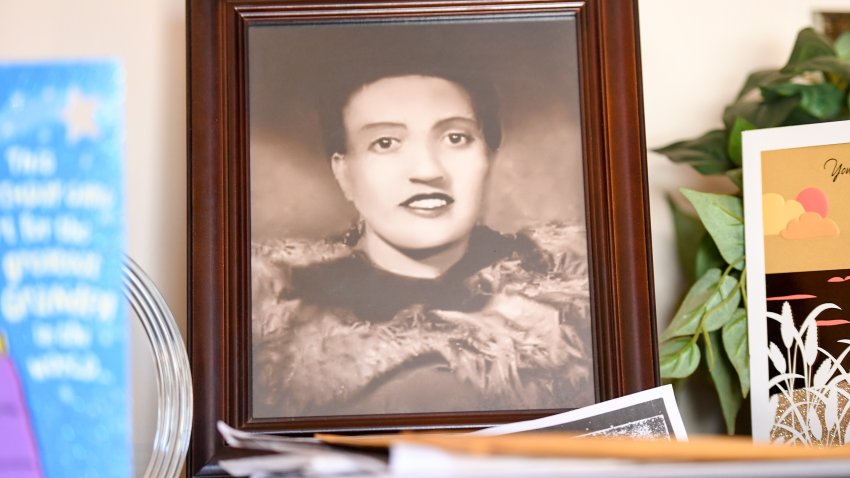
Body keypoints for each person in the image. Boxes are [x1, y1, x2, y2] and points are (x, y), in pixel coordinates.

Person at [251, 66, 593, 418]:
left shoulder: (574, 308)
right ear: (344, 173)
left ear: (488, 157)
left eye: (455, 138)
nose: (428, 170)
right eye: (385, 143)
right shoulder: (275, 327)